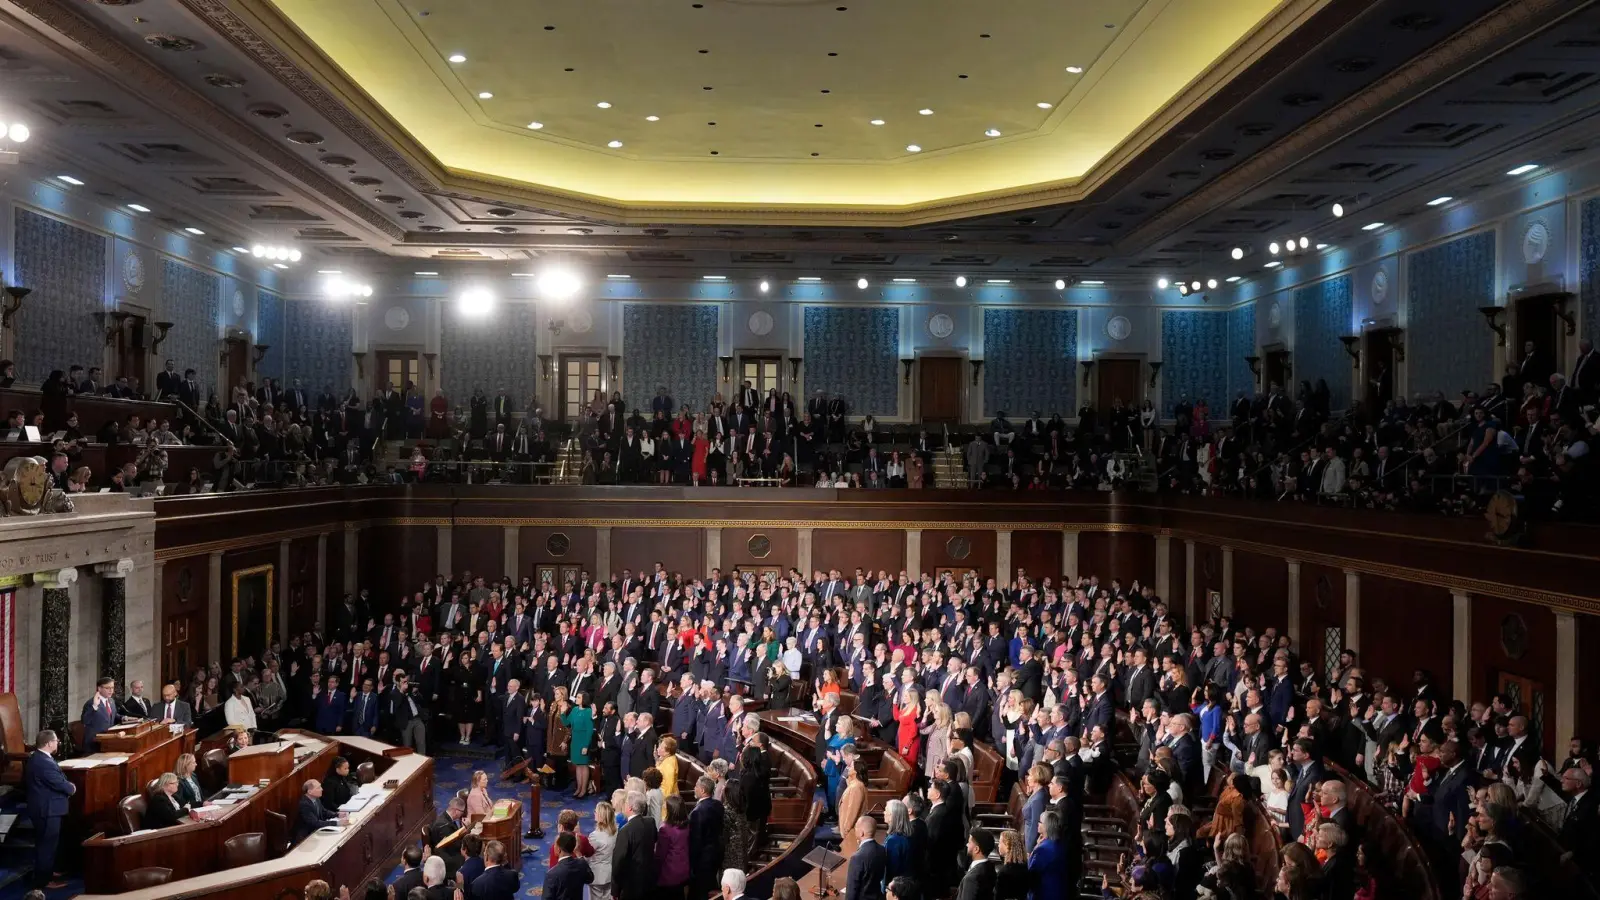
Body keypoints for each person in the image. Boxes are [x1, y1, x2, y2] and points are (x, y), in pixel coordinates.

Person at [24, 730, 73, 889]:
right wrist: (71, 788)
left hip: (44, 808)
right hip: (47, 810)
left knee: (46, 844)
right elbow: (59, 783)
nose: (57, 743)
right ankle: (43, 881)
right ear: (48, 743)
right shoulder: (43, 763)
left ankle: (47, 872)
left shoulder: (38, 757)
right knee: (46, 846)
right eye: (56, 741)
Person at [613, 792, 659, 900]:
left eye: (624, 803)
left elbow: (618, 862)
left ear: (629, 808)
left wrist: (615, 890)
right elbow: (655, 839)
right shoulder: (650, 822)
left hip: (631, 886)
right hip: (649, 880)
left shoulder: (625, 830)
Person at [688, 775, 725, 900]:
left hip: (702, 861)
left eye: (696, 786)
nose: (694, 788)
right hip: (716, 854)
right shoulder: (718, 805)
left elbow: (696, 841)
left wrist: (691, 864)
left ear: (703, 790)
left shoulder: (697, 812)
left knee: (700, 892)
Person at [655, 794, 691, 899]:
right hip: (683, 871)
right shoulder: (687, 825)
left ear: (671, 811)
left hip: (669, 875)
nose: (663, 808)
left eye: (665, 807)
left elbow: (660, 855)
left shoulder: (665, 829)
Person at [845, 814, 887, 900]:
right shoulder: (882, 849)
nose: (854, 829)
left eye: (856, 827)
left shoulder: (857, 857)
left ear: (861, 833)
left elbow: (852, 889)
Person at [565, 690, 597, 798]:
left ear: (584, 699)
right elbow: (566, 722)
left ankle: (584, 789)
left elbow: (589, 730)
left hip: (583, 741)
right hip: (575, 741)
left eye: (579, 697)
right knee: (578, 766)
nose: (577, 699)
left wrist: (586, 746)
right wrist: (562, 712)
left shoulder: (588, 711)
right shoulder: (574, 710)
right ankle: (578, 788)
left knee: (584, 765)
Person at [545, 832, 595, 900]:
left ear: (559, 849)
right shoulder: (581, 865)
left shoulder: (552, 874)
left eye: (555, 845)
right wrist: (578, 853)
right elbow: (590, 878)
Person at [956, 827, 997, 900]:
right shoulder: (989, 866)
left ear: (976, 849)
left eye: (969, 842)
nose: (967, 845)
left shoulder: (971, 879)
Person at [589, 801, 618, 900]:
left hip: (597, 875)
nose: (594, 813)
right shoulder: (616, 832)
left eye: (596, 812)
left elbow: (588, 854)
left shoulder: (594, 836)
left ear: (601, 817)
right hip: (610, 873)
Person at [81, 676, 119, 748]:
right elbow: (85, 721)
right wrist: (95, 706)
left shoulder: (111, 701)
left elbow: (112, 715)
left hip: (108, 740)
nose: (111, 690)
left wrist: (125, 718)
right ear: (99, 688)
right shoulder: (91, 703)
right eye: (107, 688)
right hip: (94, 743)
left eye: (112, 688)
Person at [994, 829, 1029, 900]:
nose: (998, 845)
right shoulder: (1026, 867)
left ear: (1007, 845)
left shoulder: (1004, 873)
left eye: (1000, 842)